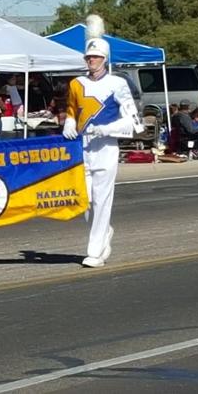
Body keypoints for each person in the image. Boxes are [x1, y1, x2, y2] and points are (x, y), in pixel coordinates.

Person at [62, 15, 141, 268]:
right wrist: (69, 122)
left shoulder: (118, 84)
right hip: (82, 148)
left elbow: (133, 122)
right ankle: (104, 231)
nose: (92, 61)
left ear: (105, 59)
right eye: (89, 57)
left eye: (96, 57)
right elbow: (72, 110)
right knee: (84, 200)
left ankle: (95, 252)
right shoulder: (76, 83)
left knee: (102, 199)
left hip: (106, 148)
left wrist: (105, 129)